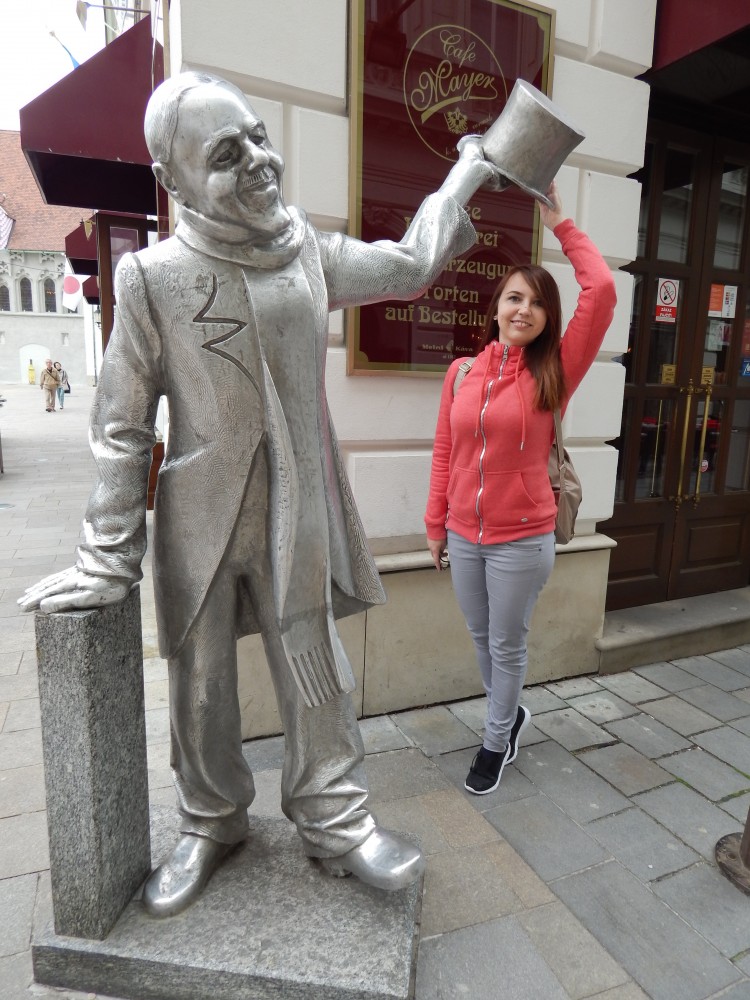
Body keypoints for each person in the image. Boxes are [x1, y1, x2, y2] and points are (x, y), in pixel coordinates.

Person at [19, 72, 501, 917]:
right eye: (225, 155)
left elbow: (410, 263)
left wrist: (467, 174)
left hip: (297, 512)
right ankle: (210, 822)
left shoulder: (306, 249)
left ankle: (335, 819)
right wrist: (107, 555)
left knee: (317, 669)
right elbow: (121, 422)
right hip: (201, 519)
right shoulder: (152, 278)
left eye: (258, 138)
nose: (258, 162)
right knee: (200, 685)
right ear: (172, 181)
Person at [424, 180, 616, 795]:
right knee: (482, 637)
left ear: (547, 317)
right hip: (464, 535)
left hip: (521, 540)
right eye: (513, 298)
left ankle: (495, 739)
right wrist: (435, 524)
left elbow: (602, 290)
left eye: (536, 303)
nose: (523, 310)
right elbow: (445, 452)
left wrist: (561, 224)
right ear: (497, 308)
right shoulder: (461, 373)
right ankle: (508, 716)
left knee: (507, 645)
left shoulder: (553, 372)